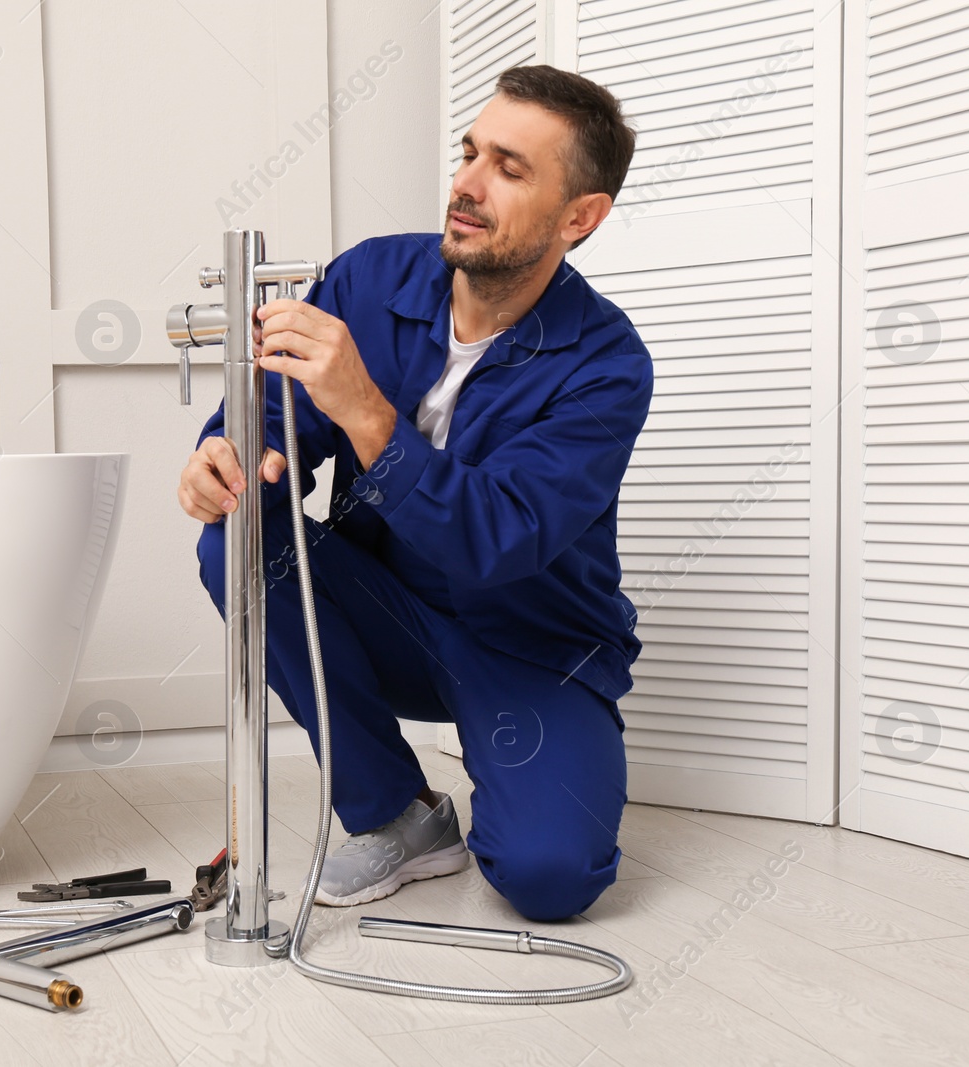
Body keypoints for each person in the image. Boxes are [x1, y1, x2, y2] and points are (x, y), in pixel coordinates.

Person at [177, 64, 651, 922]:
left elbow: (501, 536)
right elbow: (277, 422)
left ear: (581, 216)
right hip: (391, 616)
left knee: (552, 878)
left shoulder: (607, 365)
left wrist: (367, 410)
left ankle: (523, 778)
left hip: (530, 642)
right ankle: (398, 814)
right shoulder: (368, 282)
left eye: (510, 168)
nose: (466, 184)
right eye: (470, 154)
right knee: (239, 538)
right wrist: (226, 455)